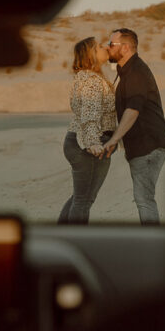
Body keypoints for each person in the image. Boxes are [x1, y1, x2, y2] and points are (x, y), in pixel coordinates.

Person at [103, 28, 165, 225]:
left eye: (111, 44)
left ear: (125, 47)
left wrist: (114, 139)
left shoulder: (136, 72)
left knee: (144, 199)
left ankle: (153, 244)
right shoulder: (127, 72)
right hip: (146, 144)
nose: (107, 48)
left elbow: (133, 109)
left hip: (148, 144)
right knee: (145, 198)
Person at [58, 37, 117, 224]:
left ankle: (62, 233)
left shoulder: (87, 76)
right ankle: (76, 239)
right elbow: (89, 114)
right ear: (91, 54)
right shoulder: (91, 80)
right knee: (83, 200)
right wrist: (93, 143)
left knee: (80, 198)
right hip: (87, 146)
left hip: (79, 141)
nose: (105, 48)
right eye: (99, 47)